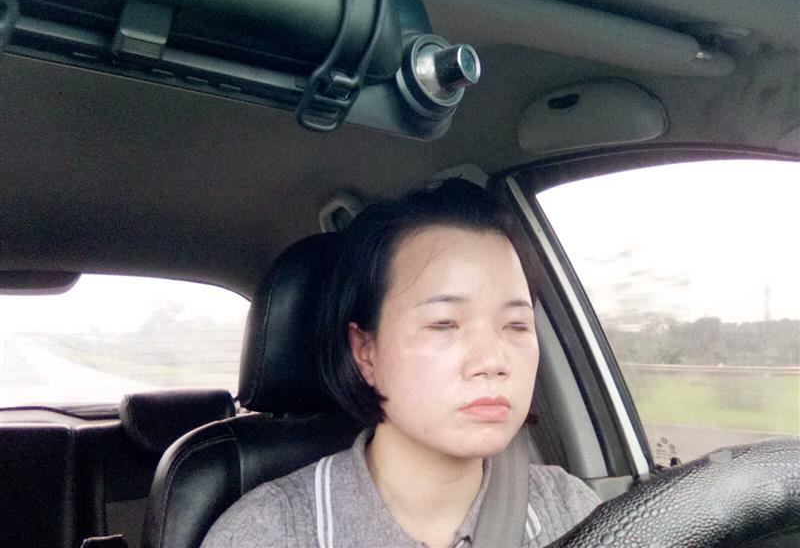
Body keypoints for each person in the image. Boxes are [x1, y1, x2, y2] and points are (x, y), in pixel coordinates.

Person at [201, 179, 600, 548]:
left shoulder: (569, 508)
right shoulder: (270, 532)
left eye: (515, 325)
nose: (494, 361)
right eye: (444, 324)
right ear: (365, 351)